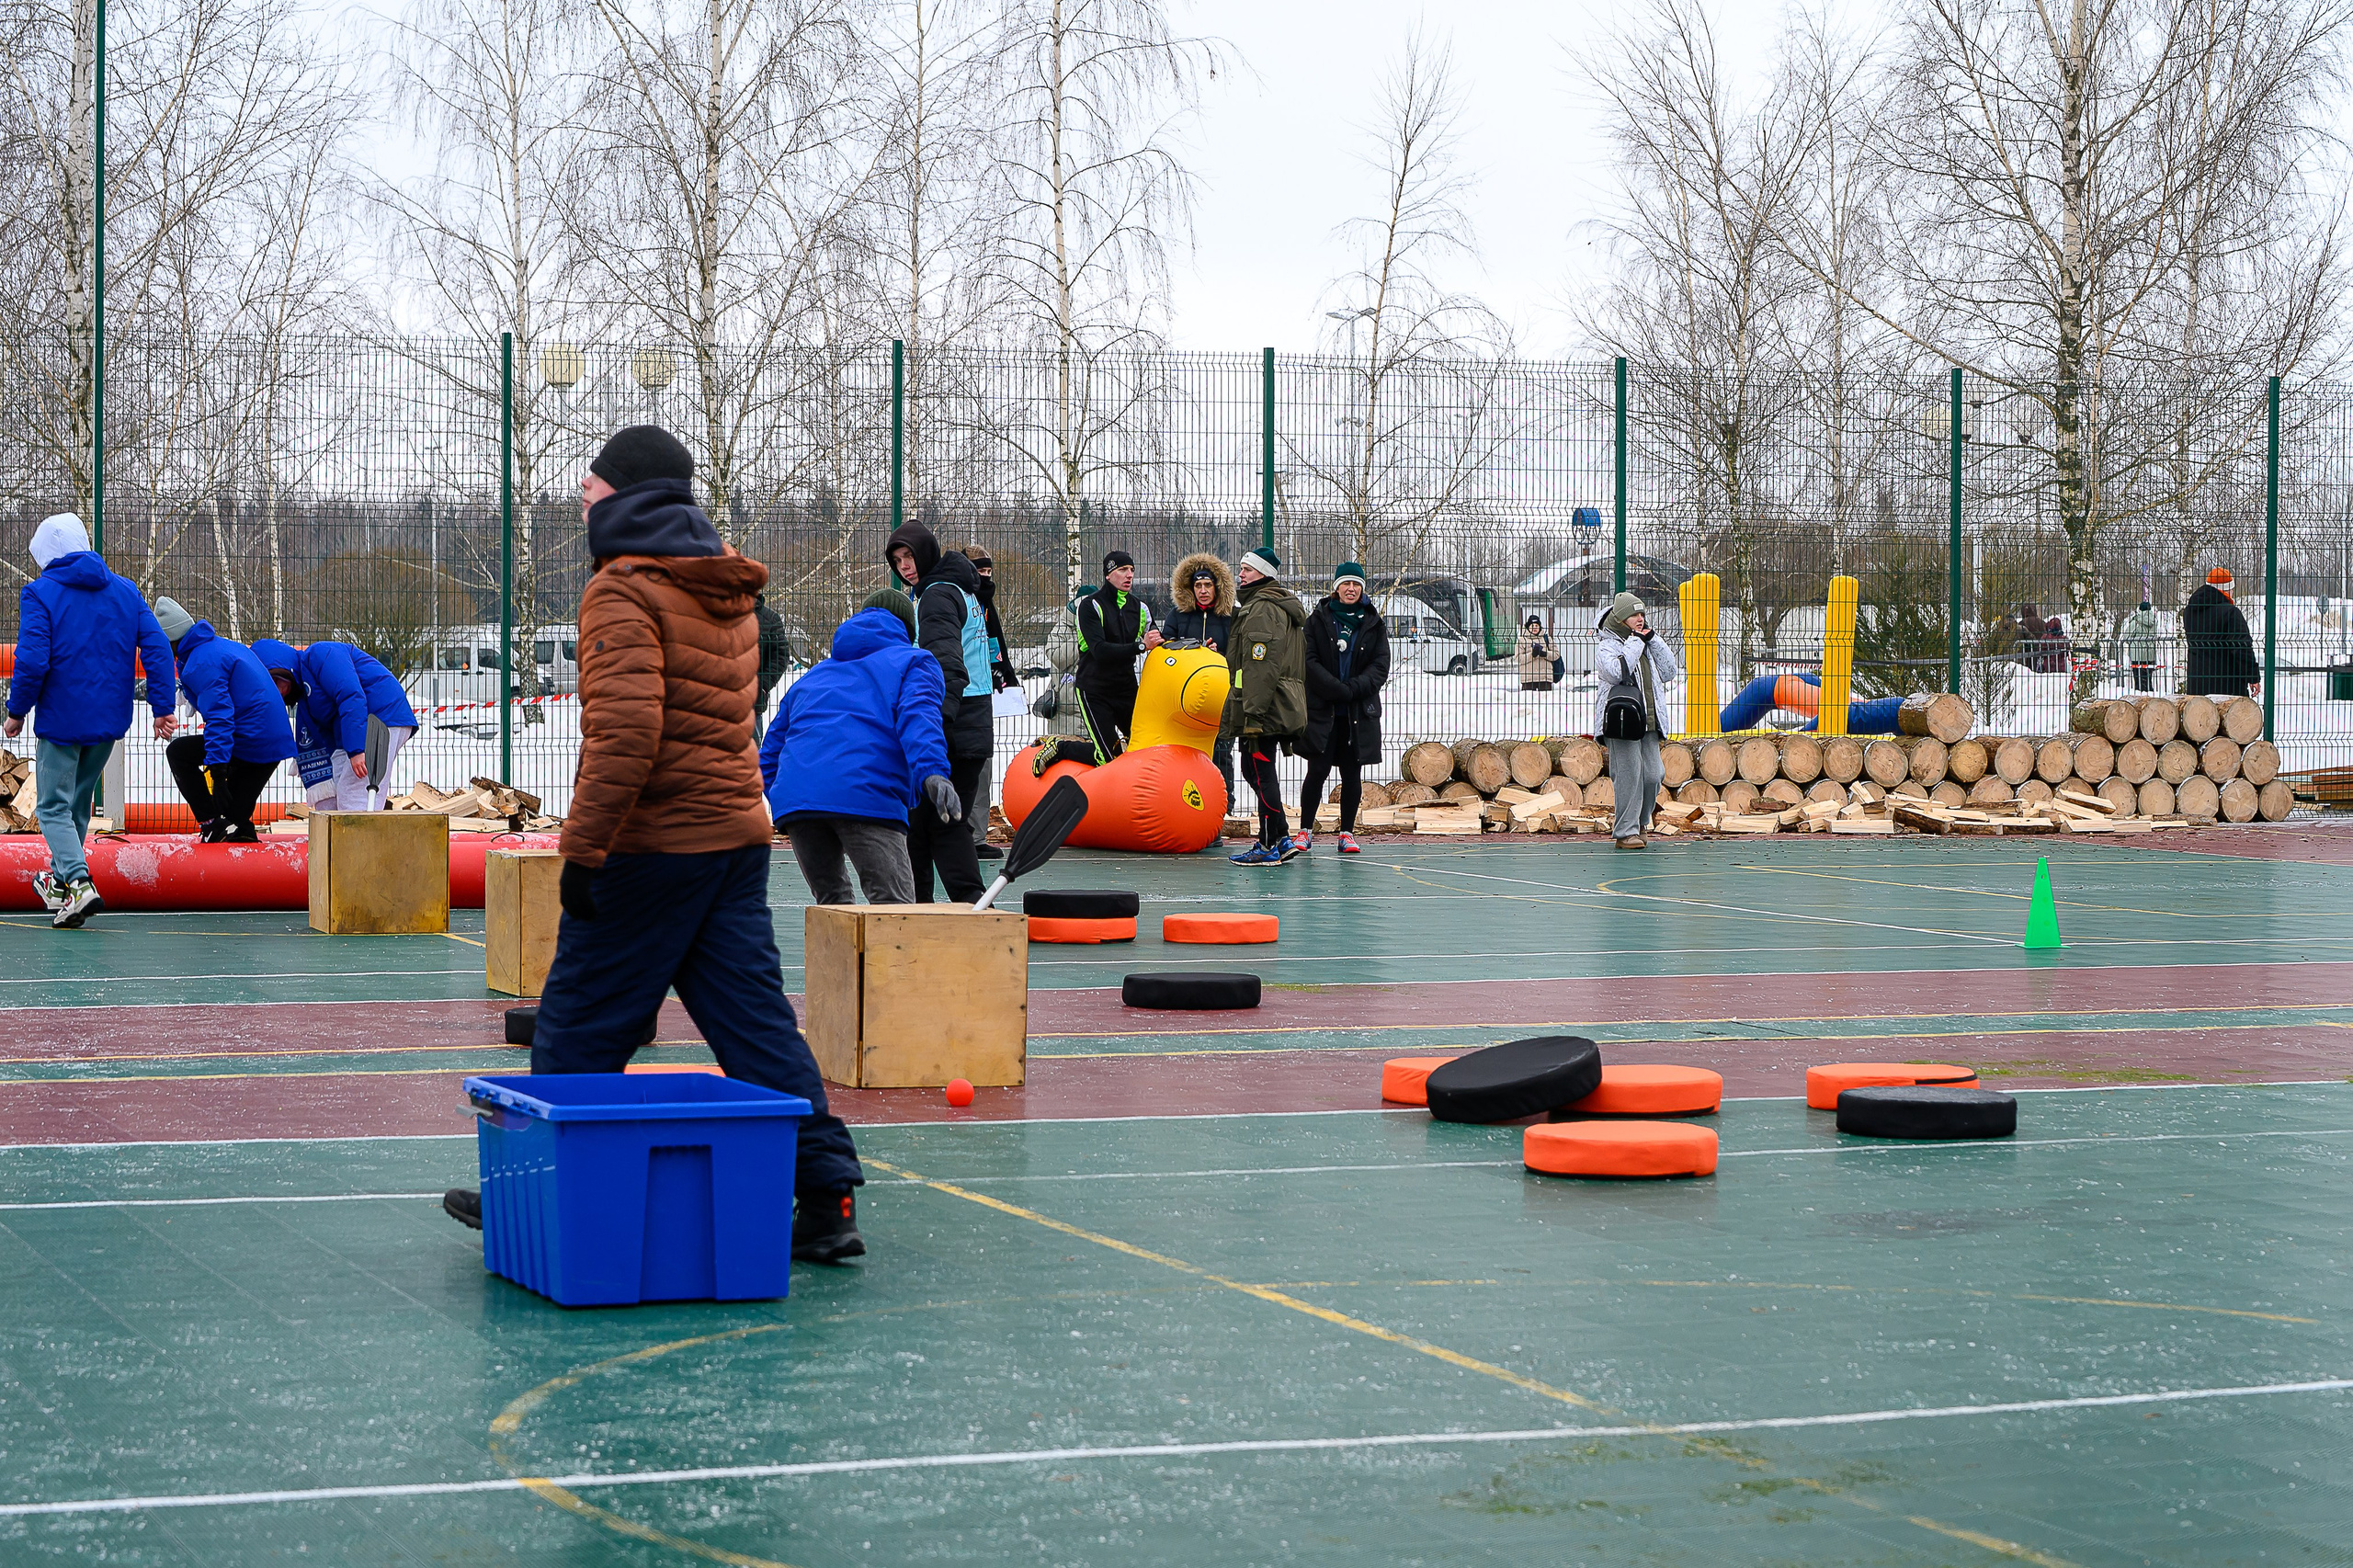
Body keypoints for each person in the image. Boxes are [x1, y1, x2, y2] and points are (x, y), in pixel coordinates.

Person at [443, 424, 868, 1264]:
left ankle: (536, 1193)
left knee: (578, 1022)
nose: (581, 496)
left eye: (594, 485)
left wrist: (585, 849)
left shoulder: (623, 589)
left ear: (629, 496)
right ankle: (828, 1193)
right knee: (755, 1031)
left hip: (653, 844)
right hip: (735, 838)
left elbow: (627, 733)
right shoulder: (723, 585)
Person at [3, 513, 176, 928]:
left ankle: (80, 885)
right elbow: (156, 649)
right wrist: (163, 707)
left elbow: (31, 660)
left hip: (62, 721)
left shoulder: (40, 593)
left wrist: (16, 711)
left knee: (50, 807)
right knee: (79, 804)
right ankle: (60, 887)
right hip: (108, 722)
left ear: (46, 555)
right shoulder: (125, 591)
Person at [761, 588, 958, 905]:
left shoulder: (814, 676)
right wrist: (933, 772)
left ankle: (840, 957)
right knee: (894, 910)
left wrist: (785, 796)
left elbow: (770, 751)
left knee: (832, 904)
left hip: (799, 801)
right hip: (867, 793)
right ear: (909, 630)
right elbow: (918, 718)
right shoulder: (915, 661)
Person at [885, 520, 990, 903]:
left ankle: (969, 910)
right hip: (971, 718)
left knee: (936, 824)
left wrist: (935, 725)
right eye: (897, 560)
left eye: (909, 556)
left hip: (951, 720)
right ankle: (957, 907)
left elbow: (946, 664)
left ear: (926, 552)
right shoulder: (958, 587)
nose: (904, 566)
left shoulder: (936, 595)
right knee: (934, 824)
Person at [154, 597, 295, 843]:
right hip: (267, 740)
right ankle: (228, 829)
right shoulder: (216, 647)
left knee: (178, 753)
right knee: (235, 819)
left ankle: (210, 823)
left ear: (169, 642)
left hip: (253, 741)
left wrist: (218, 773)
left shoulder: (200, 663)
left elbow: (220, 717)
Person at [249, 638, 419, 812]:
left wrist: (357, 750)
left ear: (286, 669)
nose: (277, 692)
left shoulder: (320, 654)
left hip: (381, 717)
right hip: (359, 726)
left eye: (276, 682)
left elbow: (350, 694)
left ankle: (357, 837)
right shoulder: (306, 697)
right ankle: (341, 837)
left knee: (353, 792)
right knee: (337, 792)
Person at [1297, 562, 1390, 856]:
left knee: (1352, 774)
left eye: (1356, 584)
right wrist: (1335, 689)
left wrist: (1353, 689)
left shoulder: (1373, 622)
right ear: (1336, 587)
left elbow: (1380, 665)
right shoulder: (1318, 619)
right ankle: (1305, 830)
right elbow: (1308, 661)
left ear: (1362, 588)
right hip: (1323, 711)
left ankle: (1347, 833)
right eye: (1346, 584)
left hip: (1357, 713)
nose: (1351, 589)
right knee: (1317, 770)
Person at [1222, 548, 1307, 866]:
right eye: (1241, 568)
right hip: (1273, 702)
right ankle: (1281, 838)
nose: (1240, 575)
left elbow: (1261, 665)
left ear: (1264, 574)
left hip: (1263, 707)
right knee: (1255, 769)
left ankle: (1271, 843)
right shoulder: (1270, 605)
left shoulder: (1262, 609)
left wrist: (1253, 713)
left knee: (1260, 770)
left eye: (1247, 570)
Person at [1595, 590, 1679, 850]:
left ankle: (1641, 823)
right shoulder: (1607, 644)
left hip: (1649, 719)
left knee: (1654, 774)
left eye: (1642, 613)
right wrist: (1635, 643)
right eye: (1634, 614)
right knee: (1629, 775)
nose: (1640, 618)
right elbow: (1616, 672)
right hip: (1621, 721)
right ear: (1621, 617)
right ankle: (1625, 832)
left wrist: (1653, 640)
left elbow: (1669, 672)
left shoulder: (1644, 640)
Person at [957, 544, 1017, 862]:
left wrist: (1002, 674)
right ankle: (952, 833)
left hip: (982, 695)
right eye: (979, 571)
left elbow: (995, 646)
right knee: (957, 767)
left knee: (982, 765)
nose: (985, 578)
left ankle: (975, 835)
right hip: (957, 695)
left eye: (989, 572)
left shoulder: (987, 605)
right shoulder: (951, 600)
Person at [1073, 549, 1158, 762]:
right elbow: (1100, 650)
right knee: (1108, 756)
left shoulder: (1140, 608)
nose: (1129, 575)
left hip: (1126, 689)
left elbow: (1158, 641)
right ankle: (1062, 748)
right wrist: (1139, 647)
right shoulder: (1090, 605)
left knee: (1144, 748)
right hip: (1094, 691)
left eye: (1131, 570)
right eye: (1122, 570)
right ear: (1108, 575)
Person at [1165, 552, 1236, 799]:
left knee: (1221, 751)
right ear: (1190, 587)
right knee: (1188, 752)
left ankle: (1224, 802)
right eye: (1198, 585)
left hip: (1221, 695)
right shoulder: (1178, 615)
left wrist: (1218, 655)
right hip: (1186, 695)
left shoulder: (1231, 617)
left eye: (1208, 585)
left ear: (1218, 586)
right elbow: (1167, 650)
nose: (1203, 590)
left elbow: (1238, 656)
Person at [2183, 567, 2260, 698]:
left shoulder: (2189, 612)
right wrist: (2252, 676)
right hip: (2227, 688)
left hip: (2196, 687)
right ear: (2226, 590)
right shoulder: (2230, 613)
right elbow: (2241, 647)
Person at [752, 593, 791, 745]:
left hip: (753, 703)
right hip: (717, 701)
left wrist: (762, 685)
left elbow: (781, 656)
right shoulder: (716, 614)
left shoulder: (770, 619)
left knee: (752, 756)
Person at [2118, 599, 2160, 692]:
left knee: (2138, 681)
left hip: (2137, 655)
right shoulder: (2154, 621)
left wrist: (2132, 644)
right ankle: (2151, 697)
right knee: (2148, 679)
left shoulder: (2136, 621)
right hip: (2150, 654)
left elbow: (2126, 636)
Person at [1518, 614, 1559, 690]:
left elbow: (1556, 655)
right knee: (1527, 701)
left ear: (1540, 627)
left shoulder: (1547, 639)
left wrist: (1545, 654)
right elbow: (1518, 658)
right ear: (1528, 627)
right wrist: (1532, 655)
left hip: (1545, 678)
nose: (1535, 628)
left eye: (1536, 626)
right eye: (1532, 626)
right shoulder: (1522, 640)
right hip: (1528, 679)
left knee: (1545, 700)